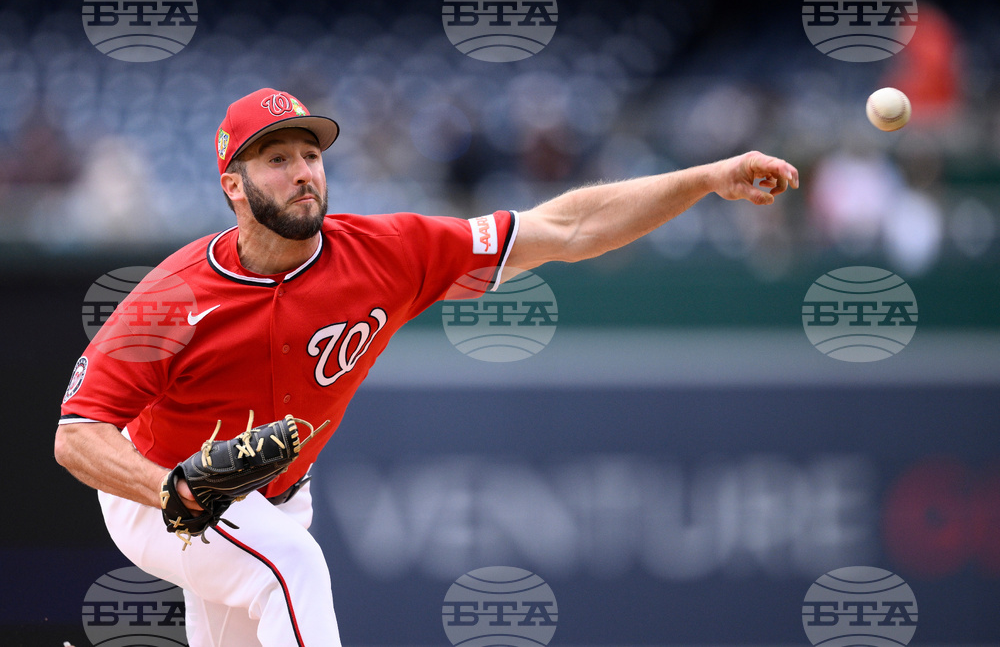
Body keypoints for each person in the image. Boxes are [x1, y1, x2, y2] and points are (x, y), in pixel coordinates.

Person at [54, 88, 798, 646]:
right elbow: (77, 433)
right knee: (292, 570)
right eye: (276, 159)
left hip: (277, 498)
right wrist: (170, 489)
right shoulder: (173, 296)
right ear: (232, 185)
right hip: (157, 493)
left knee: (273, 573)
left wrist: (702, 179)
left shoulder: (388, 253)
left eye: (311, 153)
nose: (303, 172)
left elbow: (567, 227)